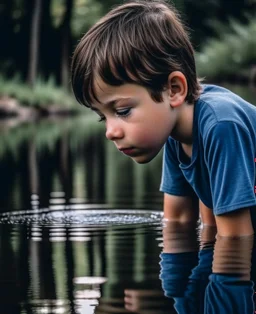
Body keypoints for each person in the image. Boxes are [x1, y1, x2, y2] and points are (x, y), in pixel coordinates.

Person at [71, 0, 256, 280]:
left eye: (122, 111)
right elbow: (179, 219)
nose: (111, 131)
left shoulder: (222, 124)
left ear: (174, 90)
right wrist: (179, 292)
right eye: (103, 117)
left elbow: (235, 237)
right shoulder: (174, 131)